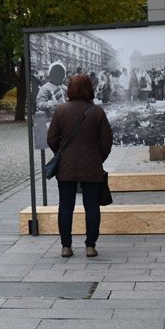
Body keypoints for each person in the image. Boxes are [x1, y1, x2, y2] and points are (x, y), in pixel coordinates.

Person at [47, 74, 114, 258]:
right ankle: (90, 246)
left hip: (66, 166)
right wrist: (98, 157)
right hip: (91, 165)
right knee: (92, 206)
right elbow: (107, 140)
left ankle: (66, 246)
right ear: (90, 89)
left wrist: (61, 153)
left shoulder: (61, 110)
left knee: (65, 206)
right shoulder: (97, 111)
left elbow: (51, 138)